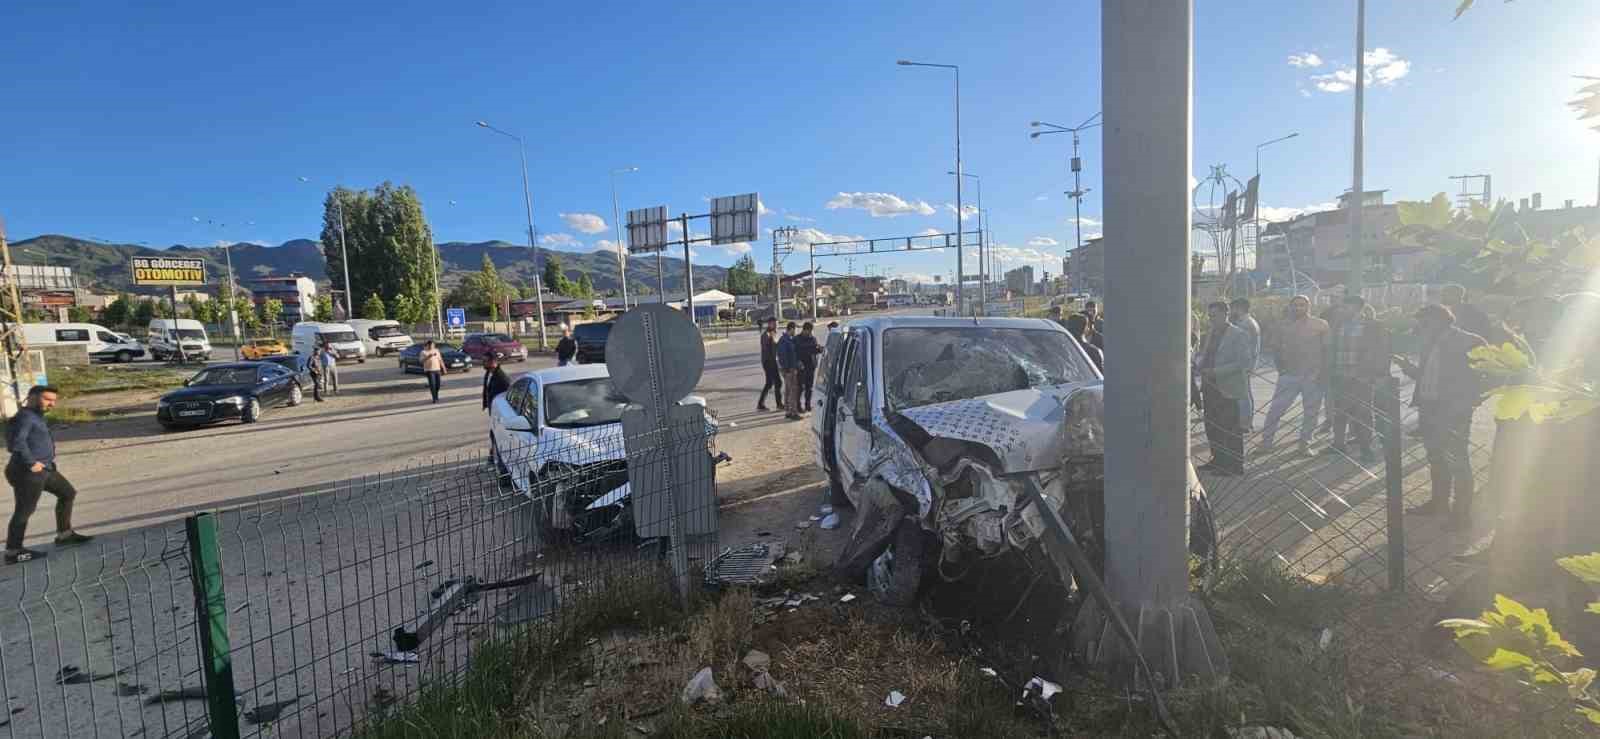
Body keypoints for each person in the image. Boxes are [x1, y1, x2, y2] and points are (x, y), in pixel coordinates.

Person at [1397, 304, 1487, 531]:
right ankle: (1438, 504)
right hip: (1429, 408)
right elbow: (1426, 375)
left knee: (1457, 461)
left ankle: (1462, 514)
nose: (1421, 326)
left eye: (1424, 321)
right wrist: (1407, 368)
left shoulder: (1470, 341)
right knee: (1435, 457)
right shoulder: (1430, 342)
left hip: (1454, 411)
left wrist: (1467, 404)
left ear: (1439, 320)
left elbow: (1485, 376)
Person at [6, 386, 92, 564]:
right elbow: (16, 443)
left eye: (53, 400)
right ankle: (13, 552)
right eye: (47, 399)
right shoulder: (25, 417)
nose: (51, 404)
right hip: (28, 472)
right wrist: (31, 462)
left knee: (67, 493)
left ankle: (64, 534)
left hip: (46, 469)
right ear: (31, 397)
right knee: (24, 510)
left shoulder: (35, 416)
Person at [1323, 295, 1391, 464]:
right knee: (1339, 412)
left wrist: (1380, 374)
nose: (1342, 310)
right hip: (1340, 376)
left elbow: (1383, 351)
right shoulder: (1338, 325)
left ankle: (1366, 449)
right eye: (1342, 307)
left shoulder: (1373, 326)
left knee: (1364, 414)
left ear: (1358, 308)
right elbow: (1332, 349)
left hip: (1362, 377)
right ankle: (1338, 444)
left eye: (1346, 307)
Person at [1260, 295, 1329, 457]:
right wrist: (1281, 369)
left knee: (1311, 412)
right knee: (1275, 410)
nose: (1299, 308)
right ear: (1290, 307)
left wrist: (1322, 373)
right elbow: (1275, 348)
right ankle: (1266, 443)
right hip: (1289, 375)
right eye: (1296, 305)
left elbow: (1327, 351)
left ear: (1309, 307)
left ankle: (1305, 445)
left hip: (1313, 376)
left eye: (1302, 305)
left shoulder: (1320, 325)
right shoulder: (1281, 325)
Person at [1196, 301, 1253, 475]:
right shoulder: (1211, 333)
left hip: (1228, 388)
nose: (1212, 319)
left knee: (1230, 428)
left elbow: (1244, 362)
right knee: (1212, 427)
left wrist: (1216, 372)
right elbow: (1206, 355)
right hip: (1209, 386)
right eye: (1210, 316)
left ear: (1226, 314)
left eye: (1215, 315)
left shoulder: (1239, 334)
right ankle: (1218, 460)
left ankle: (1235, 466)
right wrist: (1198, 364)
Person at [1229, 297, 1262, 432]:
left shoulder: (1246, 324)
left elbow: (1247, 347)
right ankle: (1245, 422)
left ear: (1240, 308)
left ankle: (1245, 424)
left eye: (1233, 308)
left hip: (1244, 364)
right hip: (1245, 363)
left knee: (1243, 395)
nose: (1231, 311)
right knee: (1244, 394)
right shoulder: (1245, 322)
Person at [794, 322, 823, 414]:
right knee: (800, 387)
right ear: (805, 330)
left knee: (809, 387)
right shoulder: (797, 339)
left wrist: (819, 350)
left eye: (811, 331)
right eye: (809, 331)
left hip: (811, 366)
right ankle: (798, 406)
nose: (810, 333)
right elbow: (794, 353)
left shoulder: (813, 339)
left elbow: (815, 349)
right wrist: (797, 362)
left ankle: (807, 405)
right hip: (801, 367)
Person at [757, 318, 783, 412]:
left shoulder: (773, 333)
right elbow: (768, 348)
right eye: (774, 324)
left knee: (770, 383)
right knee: (777, 382)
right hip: (769, 361)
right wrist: (773, 340)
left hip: (773, 361)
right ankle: (779, 404)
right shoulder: (766, 335)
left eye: (777, 324)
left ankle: (761, 404)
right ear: (770, 324)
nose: (776, 326)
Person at [777, 321, 801, 420]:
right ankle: (793, 412)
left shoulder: (788, 339)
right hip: (788, 369)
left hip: (789, 368)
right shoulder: (784, 340)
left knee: (788, 390)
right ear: (791, 329)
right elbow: (782, 356)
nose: (795, 331)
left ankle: (788, 411)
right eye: (795, 329)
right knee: (793, 391)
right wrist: (787, 369)